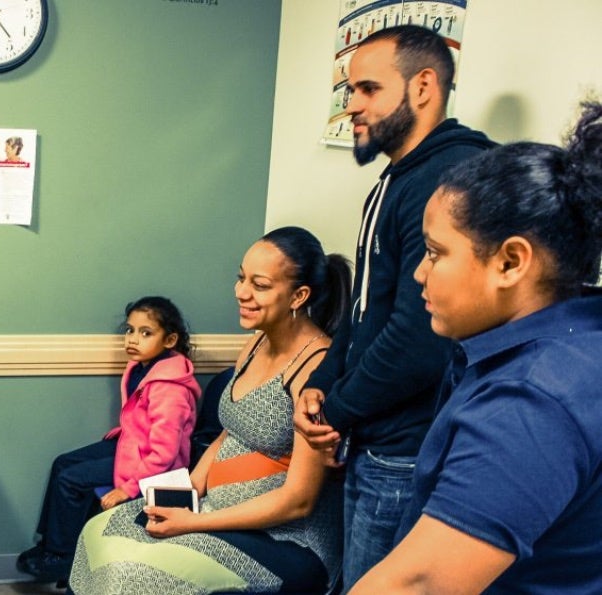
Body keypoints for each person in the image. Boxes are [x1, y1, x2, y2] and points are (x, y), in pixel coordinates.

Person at [351, 102, 602, 594]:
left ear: (510, 262)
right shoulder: (579, 338)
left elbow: (419, 585)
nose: (421, 273)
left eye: (435, 252)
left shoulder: (530, 403)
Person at [293, 24, 496, 590]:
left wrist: (334, 412)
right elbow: (364, 312)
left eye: (367, 89)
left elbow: (419, 340)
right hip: (373, 438)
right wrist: (322, 383)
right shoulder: (397, 178)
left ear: (424, 86)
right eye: (349, 90)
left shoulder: (450, 176)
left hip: (407, 451)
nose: (351, 105)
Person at [69, 227, 352, 594]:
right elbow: (229, 431)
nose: (241, 292)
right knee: (102, 531)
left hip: (282, 540)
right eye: (241, 277)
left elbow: (298, 501)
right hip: (214, 509)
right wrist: (187, 490)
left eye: (260, 285)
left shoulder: (315, 369)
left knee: (131, 573)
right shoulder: (255, 345)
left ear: (299, 295)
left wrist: (192, 523)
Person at [18, 296, 202, 585]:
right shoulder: (144, 367)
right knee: (63, 463)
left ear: (170, 340)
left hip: (153, 467)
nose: (133, 339)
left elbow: (164, 454)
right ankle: (50, 544)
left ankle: (62, 558)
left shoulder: (170, 388)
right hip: (131, 447)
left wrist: (126, 489)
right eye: (130, 330)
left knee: (71, 479)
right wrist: (125, 432)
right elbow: (141, 418)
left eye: (146, 333)